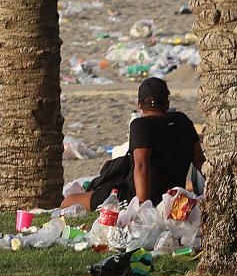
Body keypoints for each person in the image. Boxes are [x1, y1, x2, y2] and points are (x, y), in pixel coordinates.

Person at [61, 78, 204, 210]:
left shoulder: (140, 125)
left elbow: (141, 165)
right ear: (167, 103)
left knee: (68, 202)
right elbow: (199, 161)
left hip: (135, 197)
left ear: (139, 104)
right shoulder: (182, 121)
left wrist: (142, 205)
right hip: (173, 196)